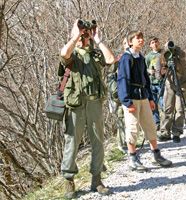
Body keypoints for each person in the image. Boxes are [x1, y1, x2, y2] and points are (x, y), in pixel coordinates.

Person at [60, 19, 115, 198]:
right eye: (82, 32)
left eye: (86, 33)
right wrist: (75, 36)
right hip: (76, 104)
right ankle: (69, 181)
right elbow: (63, 53)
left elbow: (111, 59)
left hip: (94, 103)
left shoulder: (94, 54)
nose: (85, 36)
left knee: (98, 140)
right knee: (72, 142)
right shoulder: (72, 54)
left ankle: (97, 179)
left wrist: (97, 38)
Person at [117, 30, 172, 172]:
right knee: (133, 129)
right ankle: (132, 158)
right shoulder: (126, 58)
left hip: (143, 97)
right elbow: (122, 81)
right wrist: (127, 101)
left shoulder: (140, 57)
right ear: (130, 42)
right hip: (132, 98)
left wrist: (150, 98)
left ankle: (156, 155)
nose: (141, 40)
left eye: (141, 38)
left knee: (150, 126)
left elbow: (145, 79)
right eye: (137, 38)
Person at [158, 41, 186, 143]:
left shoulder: (180, 54)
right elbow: (159, 74)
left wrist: (175, 51)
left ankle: (176, 132)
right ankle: (165, 132)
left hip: (182, 83)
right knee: (168, 109)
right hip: (170, 84)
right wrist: (166, 66)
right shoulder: (162, 57)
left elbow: (183, 58)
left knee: (180, 109)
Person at [107, 38, 129, 154]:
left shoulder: (136, 57)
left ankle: (130, 142)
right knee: (121, 119)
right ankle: (122, 144)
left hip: (132, 94)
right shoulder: (118, 60)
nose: (127, 45)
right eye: (125, 43)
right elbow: (111, 78)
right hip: (120, 96)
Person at [145, 37, 164, 130]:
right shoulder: (148, 56)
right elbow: (144, 68)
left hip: (162, 82)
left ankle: (165, 122)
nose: (155, 44)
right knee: (154, 104)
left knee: (163, 103)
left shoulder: (163, 54)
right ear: (150, 45)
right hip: (152, 83)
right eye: (152, 42)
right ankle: (156, 123)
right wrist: (149, 71)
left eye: (156, 42)